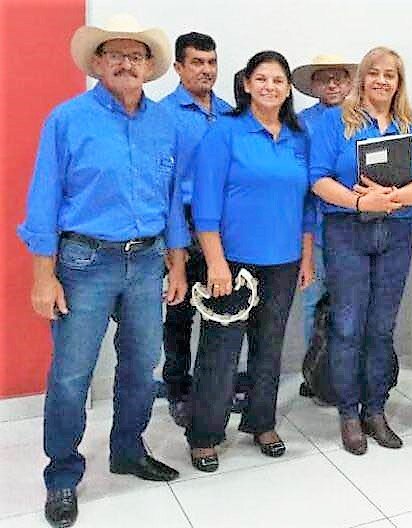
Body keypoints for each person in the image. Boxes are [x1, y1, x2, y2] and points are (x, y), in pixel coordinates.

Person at [17, 14, 189, 528]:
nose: (125, 63)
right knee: (71, 376)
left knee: (141, 367)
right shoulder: (66, 120)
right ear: (97, 63)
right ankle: (63, 476)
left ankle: (128, 449)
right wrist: (42, 276)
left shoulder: (166, 123)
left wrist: (177, 263)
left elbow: (173, 198)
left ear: (149, 67)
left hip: (146, 262)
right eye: (114, 54)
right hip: (83, 263)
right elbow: (44, 199)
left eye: (135, 56)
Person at [186, 51, 314, 472]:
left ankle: (261, 422)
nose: (270, 87)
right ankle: (205, 433)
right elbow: (204, 205)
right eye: (262, 79)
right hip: (232, 263)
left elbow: (307, 207)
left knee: (269, 347)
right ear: (246, 84)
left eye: (279, 80)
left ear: (288, 88)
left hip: (283, 261)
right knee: (220, 351)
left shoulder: (298, 137)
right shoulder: (224, 133)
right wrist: (216, 263)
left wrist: (306, 258)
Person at [310, 46, 412, 455]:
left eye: (391, 75)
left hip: (396, 235)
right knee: (347, 327)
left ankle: (375, 410)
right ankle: (349, 413)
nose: (382, 80)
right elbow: (317, 179)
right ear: (362, 78)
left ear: (399, 83)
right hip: (347, 231)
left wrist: (396, 197)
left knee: (382, 329)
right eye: (375, 73)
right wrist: (363, 201)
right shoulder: (338, 122)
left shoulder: (410, 127)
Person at [159, 31, 234, 427]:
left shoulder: (230, 113)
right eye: (197, 63)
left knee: (222, 311)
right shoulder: (163, 115)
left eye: (212, 63)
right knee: (180, 312)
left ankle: (214, 387)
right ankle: (177, 388)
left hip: (225, 226)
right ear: (178, 67)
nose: (206, 70)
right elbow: (166, 184)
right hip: (182, 225)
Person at [291, 54, 358, 358]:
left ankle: (345, 375)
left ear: (348, 83)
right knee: (312, 303)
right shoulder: (301, 123)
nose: (332, 84)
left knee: (350, 305)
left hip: (355, 227)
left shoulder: (363, 119)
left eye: (339, 77)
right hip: (314, 228)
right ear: (314, 85)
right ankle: (315, 371)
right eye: (324, 78)